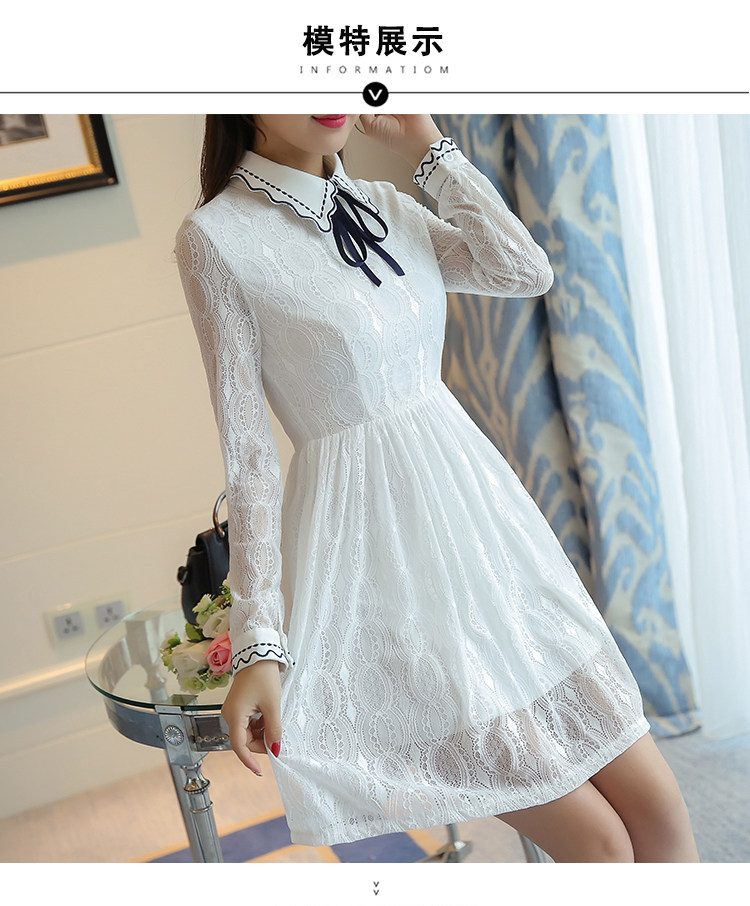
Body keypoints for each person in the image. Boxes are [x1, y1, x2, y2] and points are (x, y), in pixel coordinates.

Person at [174, 114, 699, 862]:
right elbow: (250, 455)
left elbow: (523, 270)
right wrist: (260, 642)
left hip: (488, 538)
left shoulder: (387, 205)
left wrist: (429, 148)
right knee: (600, 845)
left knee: (660, 810)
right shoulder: (218, 238)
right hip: (382, 572)